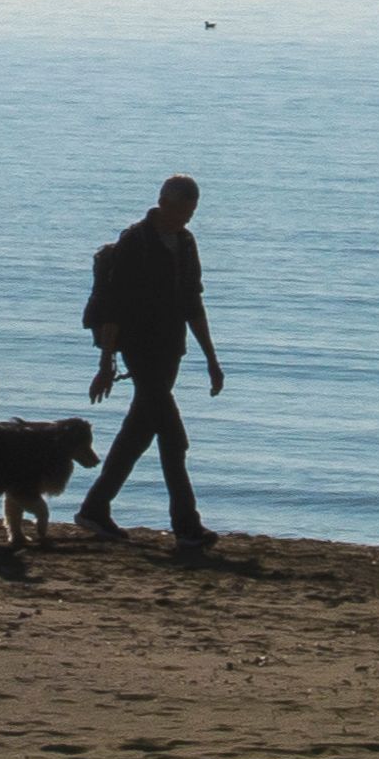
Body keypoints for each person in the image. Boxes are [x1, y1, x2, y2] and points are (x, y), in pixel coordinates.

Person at [77, 173, 222, 551]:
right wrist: (106, 362)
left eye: (191, 214)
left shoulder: (186, 243)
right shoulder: (135, 242)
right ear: (164, 203)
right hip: (140, 351)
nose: (186, 220)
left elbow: (193, 303)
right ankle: (187, 526)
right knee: (173, 439)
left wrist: (211, 358)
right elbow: (113, 308)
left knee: (139, 433)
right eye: (182, 212)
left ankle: (94, 508)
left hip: (170, 350)